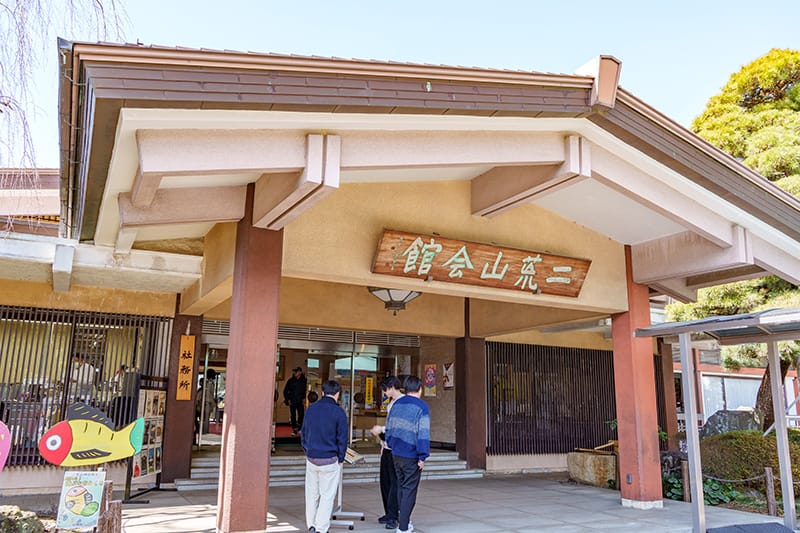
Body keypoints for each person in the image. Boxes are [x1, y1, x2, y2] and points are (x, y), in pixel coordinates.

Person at [301, 380, 348, 533]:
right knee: (327, 495)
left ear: (322, 392)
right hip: (330, 459)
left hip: (312, 457)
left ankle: (311, 525)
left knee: (311, 493)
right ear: (338, 394)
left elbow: (304, 434)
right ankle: (321, 527)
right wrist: (340, 458)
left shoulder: (311, 409)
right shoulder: (339, 412)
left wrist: (308, 451)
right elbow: (342, 438)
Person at [385, 376, 430, 533]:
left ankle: (404, 521)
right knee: (409, 490)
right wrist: (422, 456)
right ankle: (403, 527)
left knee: (401, 487)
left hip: (396, 453)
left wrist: (391, 444)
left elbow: (388, 428)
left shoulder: (396, 404)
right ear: (419, 389)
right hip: (411, 455)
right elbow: (423, 433)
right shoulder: (422, 407)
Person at [369, 376, 404, 530]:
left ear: (391, 387)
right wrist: (383, 443)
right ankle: (389, 512)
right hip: (388, 447)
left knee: (395, 484)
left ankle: (394, 516)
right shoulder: (391, 404)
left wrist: (380, 430)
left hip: (398, 450)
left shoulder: (403, 403)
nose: (384, 392)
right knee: (386, 482)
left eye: (384, 389)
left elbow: (398, 427)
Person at [283, 366, 307, 435]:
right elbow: (285, 391)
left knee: (301, 414)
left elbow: (307, 391)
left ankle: (299, 428)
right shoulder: (290, 381)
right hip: (292, 401)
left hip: (300, 401)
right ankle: (294, 429)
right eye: (294, 371)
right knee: (292, 415)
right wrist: (288, 399)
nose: (294, 373)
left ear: (300, 372)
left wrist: (305, 398)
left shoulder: (304, 381)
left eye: (296, 371)